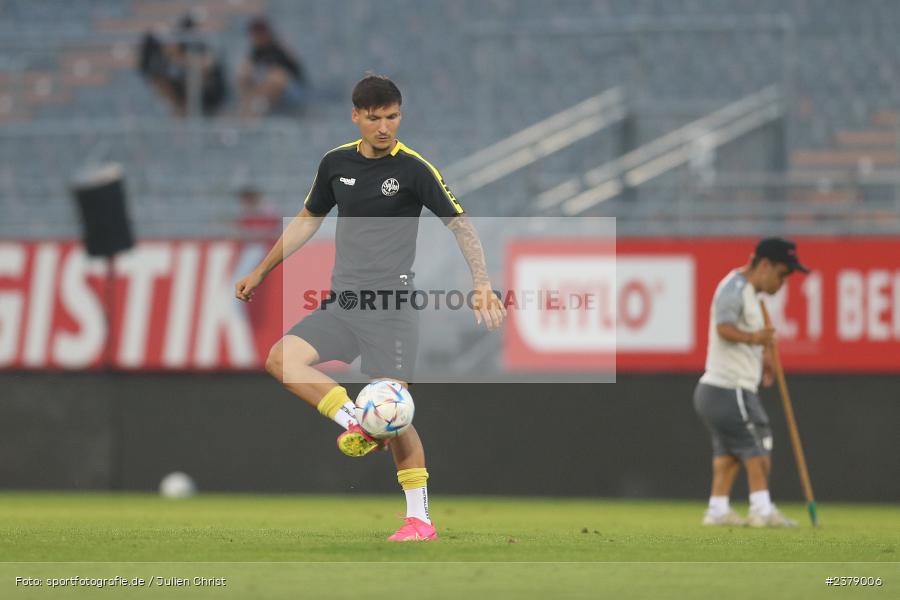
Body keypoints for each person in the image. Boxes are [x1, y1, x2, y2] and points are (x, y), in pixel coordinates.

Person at [234, 74, 505, 541]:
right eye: (375, 118)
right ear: (356, 116)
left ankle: (419, 520)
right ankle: (355, 421)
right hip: (343, 303)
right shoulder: (335, 164)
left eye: (393, 117)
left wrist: (482, 282)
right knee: (281, 358)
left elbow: (460, 224)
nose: (385, 127)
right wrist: (262, 270)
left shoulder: (416, 169)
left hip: (392, 309)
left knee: (397, 414)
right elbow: (306, 221)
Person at [693, 237, 809, 527]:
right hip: (729, 387)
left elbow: (749, 336)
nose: (782, 283)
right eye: (782, 274)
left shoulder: (753, 297)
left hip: (720, 390)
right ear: (765, 265)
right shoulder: (735, 289)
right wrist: (754, 339)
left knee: (729, 453)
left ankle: (718, 510)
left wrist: (764, 356)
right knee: (757, 443)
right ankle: (762, 509)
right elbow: (723, 328)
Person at [137, 13, 228, 117]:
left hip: (211, 95)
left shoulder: (199, 47)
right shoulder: (166, 60)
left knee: (194, 77)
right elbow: (149, 72)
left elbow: (208, 64)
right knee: (160, 80)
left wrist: (181, 59)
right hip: (184, 100)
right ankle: (180, 117)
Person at [237, 17, 309, 118]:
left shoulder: (279, 49)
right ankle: (251, 107)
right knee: (244, 72)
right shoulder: (256, 51)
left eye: (256, 35)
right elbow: (247, 71)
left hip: (293, 92)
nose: (254, 38)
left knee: (276, 76)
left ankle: (256, 106)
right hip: (267, 91)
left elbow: (285, 76)